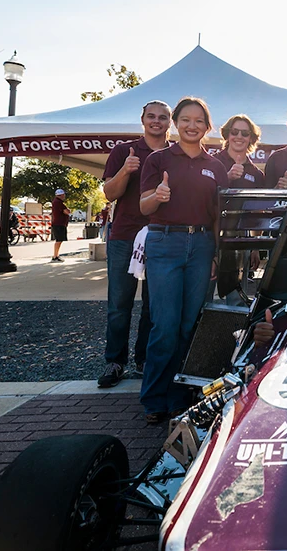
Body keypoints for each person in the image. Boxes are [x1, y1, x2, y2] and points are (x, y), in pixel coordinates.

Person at [139, 97, 228, 424]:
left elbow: (218, 215)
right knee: (165, 325)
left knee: (190, 325)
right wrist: (157, 196)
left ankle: (179, 397)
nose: (192, 126)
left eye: (199, 121)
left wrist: (217, 252)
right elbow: (144, 207)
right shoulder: (158, 160)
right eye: (186, 120)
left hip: (202, 245)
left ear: (207, 126)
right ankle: (153, 399)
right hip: (164, 242)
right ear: (176, 122)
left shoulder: (216, 166)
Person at [98, 100, 171, 387]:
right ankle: (115, 361)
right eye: (151, 116)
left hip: (162, 236)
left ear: (170, 122)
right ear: (142, 119)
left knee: (153, 305)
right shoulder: (123, 151)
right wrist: (126, 170)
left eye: (163, 117)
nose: (157, 121)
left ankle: (144, 360)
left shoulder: (174, 154)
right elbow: (109, 194)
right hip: (125, 236)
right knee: (119, 303)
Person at [212, 114, 265, 303]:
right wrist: (227, 178)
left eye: (245, 133)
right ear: (227, 134)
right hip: (211, 240)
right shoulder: (212, 162)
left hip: (240, 242)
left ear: (251, 138)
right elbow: (202, 199)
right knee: (204, 299)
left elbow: (258, 213)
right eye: (234, 132)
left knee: (236, 301)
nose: (239, 136)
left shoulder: (257, 174)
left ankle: (231, 333)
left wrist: (255, 247)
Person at [50, 188, 71, 262]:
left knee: (59, 240)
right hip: (59, 224)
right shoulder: (58, 203)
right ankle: (55, 256)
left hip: (58, 223)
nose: (64, 196)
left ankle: (56, 255)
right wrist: (68, 210)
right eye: (63, 194)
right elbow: (67, 212)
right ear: (61, 195)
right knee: (59, 240)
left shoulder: (56, 202)